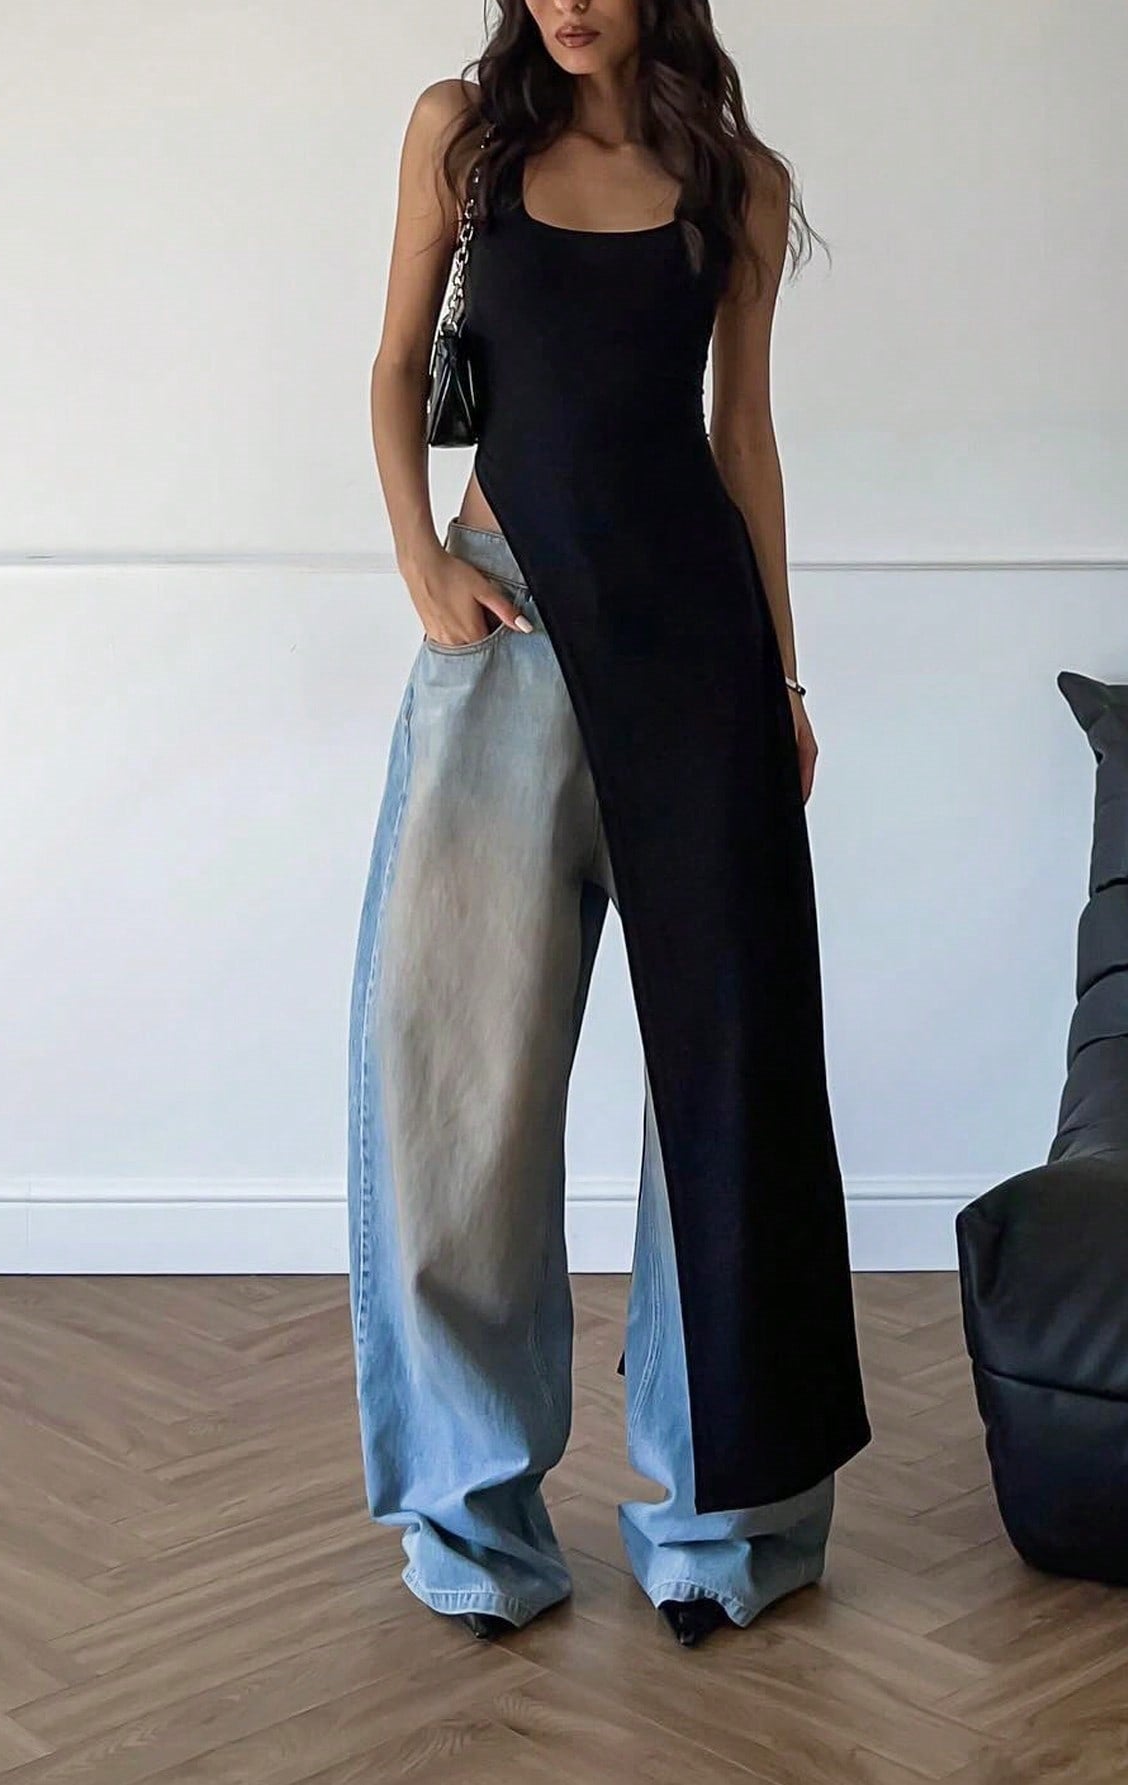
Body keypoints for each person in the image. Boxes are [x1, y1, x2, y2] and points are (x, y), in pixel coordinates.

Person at [350, 0, 872, 1650]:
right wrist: (423, 564)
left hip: (700, 650)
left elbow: (744, 437)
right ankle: (471, 1514)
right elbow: (393, 363)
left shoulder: (740, 181)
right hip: (500, 631)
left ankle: (726, 1517)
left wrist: (782, 679)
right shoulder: (461, 133)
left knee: (731, 1076)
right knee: (456, 1076)